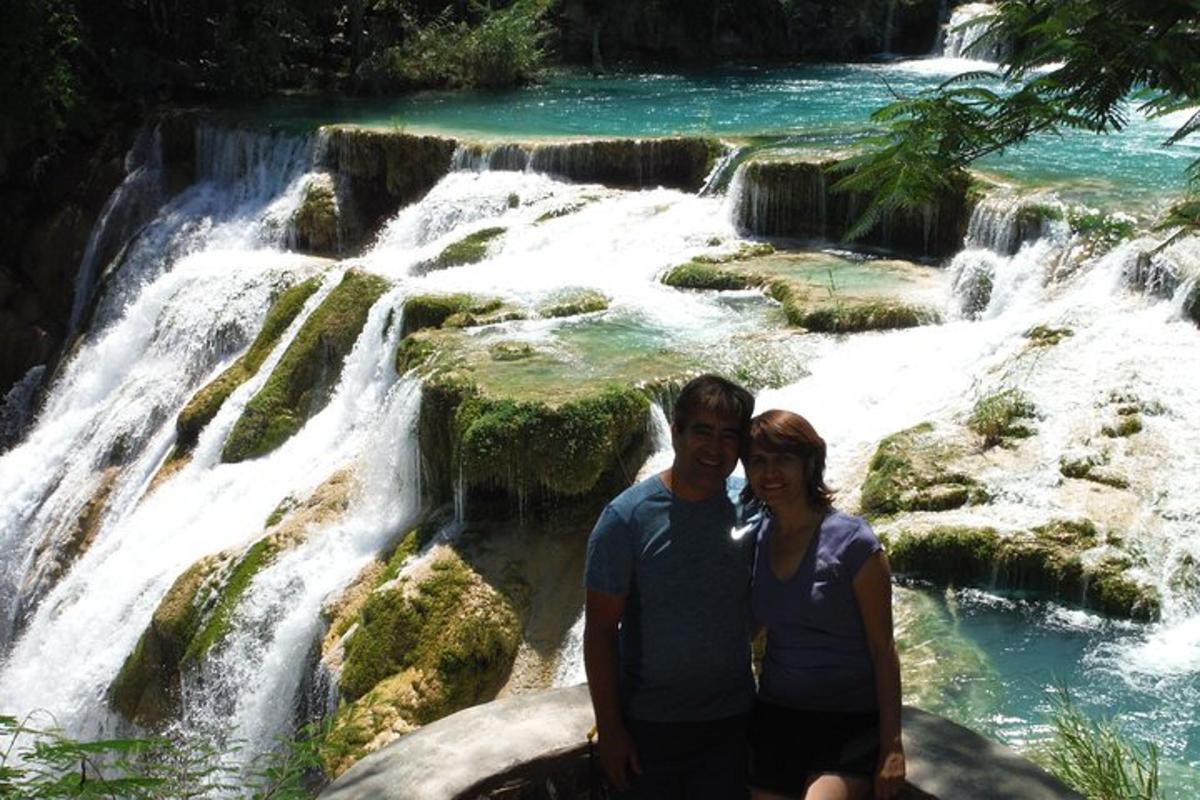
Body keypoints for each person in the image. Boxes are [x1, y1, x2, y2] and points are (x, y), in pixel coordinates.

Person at [583, 374, 756, 799]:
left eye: (728, 437)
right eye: (702, 432)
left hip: (734, 723)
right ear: (675, 431)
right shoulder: (626, 519)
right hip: (650, 727)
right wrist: (610, 729)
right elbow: (601, 632)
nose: (714, 449)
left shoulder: (751, 508)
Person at [742, 409, 905, 800]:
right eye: (759, 462)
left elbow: (883, 650)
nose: (770, 473)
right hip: (778, 716)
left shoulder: (854, 544)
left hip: (847, 722)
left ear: (810, 463)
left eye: (783, 459)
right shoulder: (758, 536)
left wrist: (892, 746)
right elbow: (751, 629)